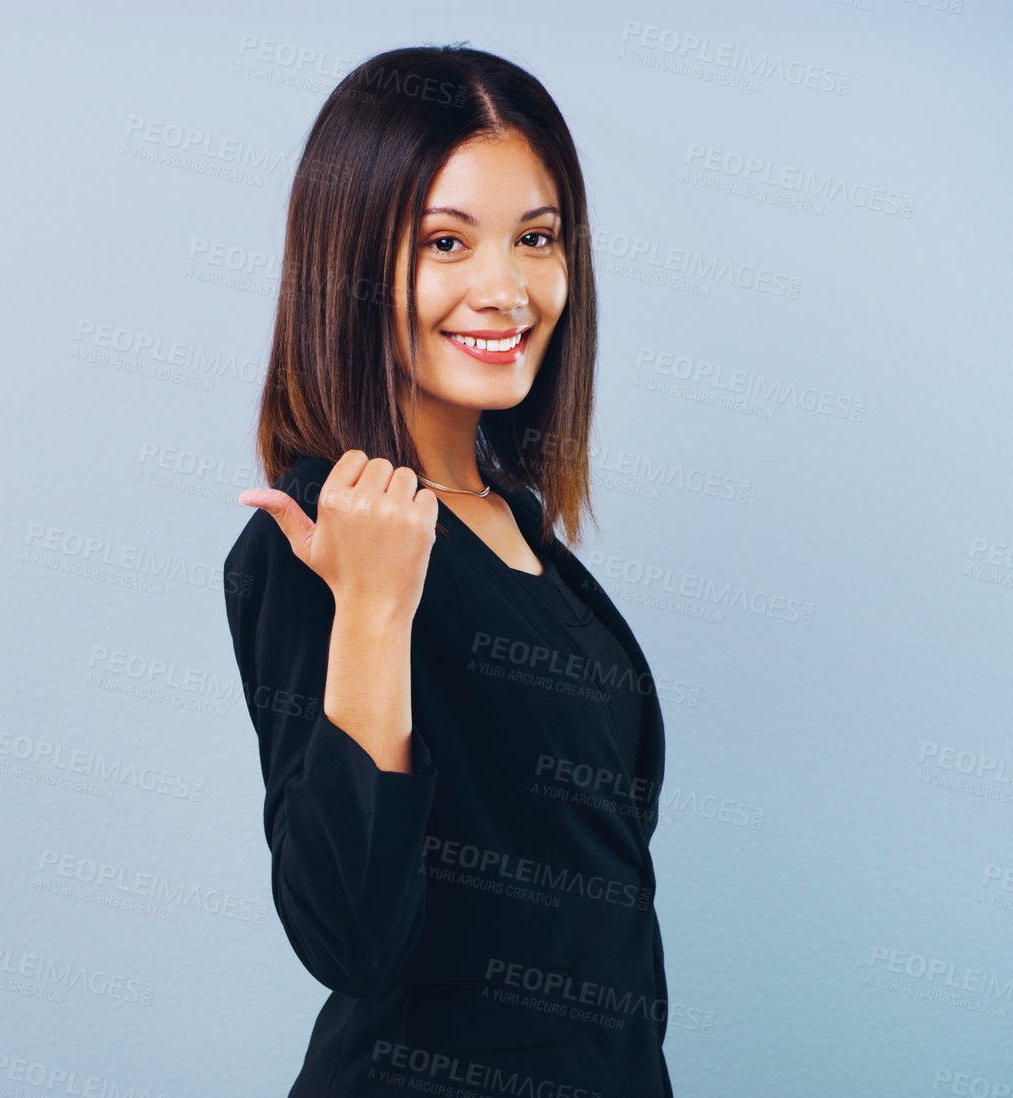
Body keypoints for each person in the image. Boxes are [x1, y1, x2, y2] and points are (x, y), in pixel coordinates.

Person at [223, 45, 673, 1096]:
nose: (504, 288)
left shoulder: (520, 533)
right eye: (443, 241)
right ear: (351, 261)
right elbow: (347, 934)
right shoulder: (318, 532)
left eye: (536, 238)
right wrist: (373, 609)